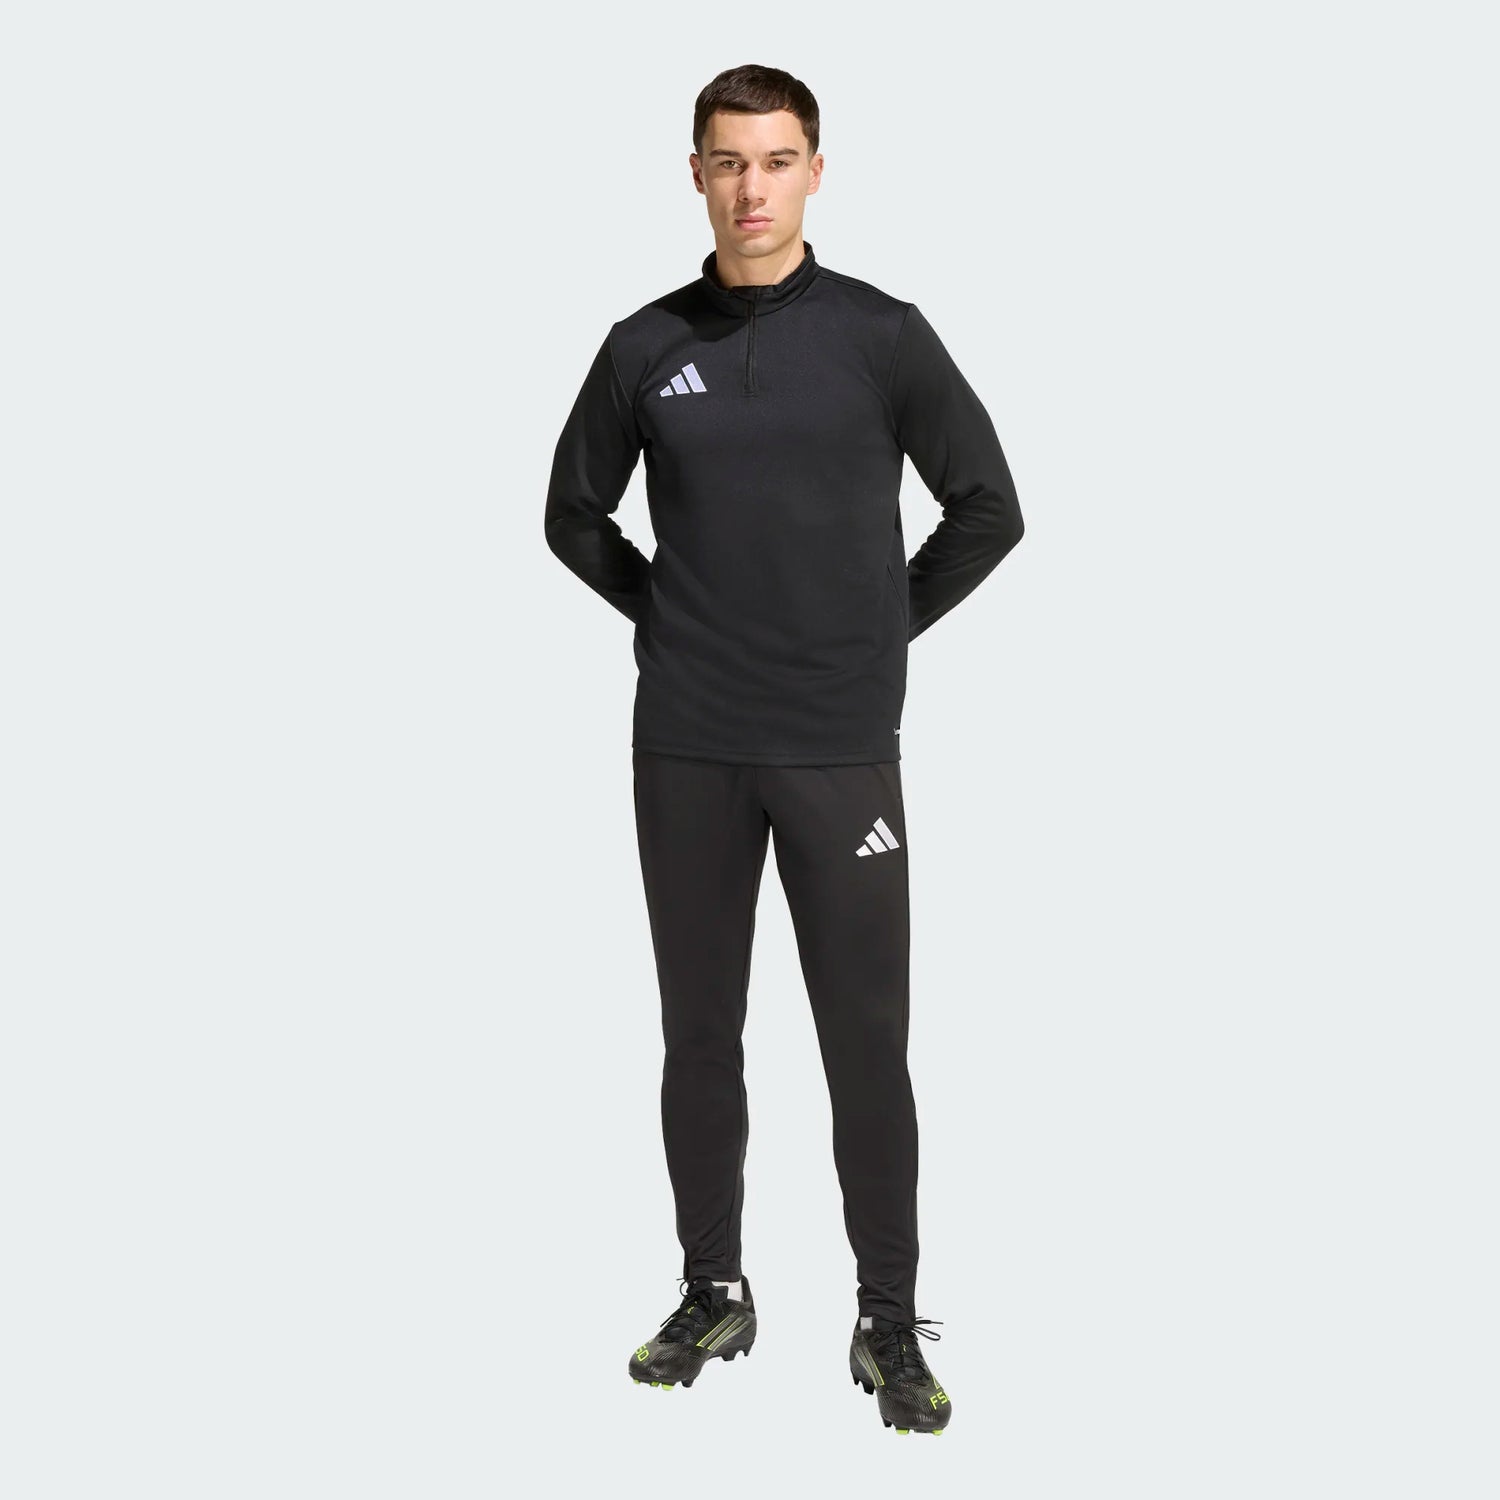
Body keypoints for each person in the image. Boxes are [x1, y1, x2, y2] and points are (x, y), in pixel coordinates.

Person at [544, 63, 1023, 1437]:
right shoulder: (644, 347)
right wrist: (672, 620)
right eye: (727, 161)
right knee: (699, 1032)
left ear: (816, 169)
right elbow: (573, 517)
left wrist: (877, 634)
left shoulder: (882, 337)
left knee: (866, 1040)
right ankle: (714, 1287)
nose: (751, 187)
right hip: (689, 746)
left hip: (836, 749)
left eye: (775, 160)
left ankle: (887, 1318)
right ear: (695, 174)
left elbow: (989, 508)